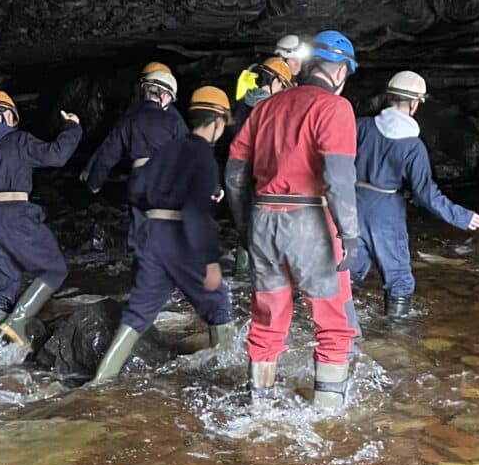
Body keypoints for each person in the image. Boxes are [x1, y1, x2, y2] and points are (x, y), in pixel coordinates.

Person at [224, 31, 365, 410]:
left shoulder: (265, 109)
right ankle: (328, 414)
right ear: (339, 71)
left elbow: (235, 175)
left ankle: (258, 407)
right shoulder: (336, 109)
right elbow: (338, 178)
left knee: (267, 320)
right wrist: (350, 234)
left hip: (264, 219)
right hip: (311, 221)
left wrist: (243, 228)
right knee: (333, 322)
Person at [93, 86, 239, 384]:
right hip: (179, 235)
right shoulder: (203, 157)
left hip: (152, 233)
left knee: (139, 312)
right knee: (218, 302)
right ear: (216, 122)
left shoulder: (167, 150)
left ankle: (100, 381)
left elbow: (136, 192)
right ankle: (228, 375)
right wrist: (211, 262)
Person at [0, 92, 84, 346]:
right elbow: (57, 155)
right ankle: (18, 320)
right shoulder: (19, 141)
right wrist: (72, 128)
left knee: (5, 282)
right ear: (9, 116)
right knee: (54, 269)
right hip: (17, 213)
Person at [349, 72, 479, 320]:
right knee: (398, 278)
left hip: (351, 205)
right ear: (414, 104)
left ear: (388, 97)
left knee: (348, 271)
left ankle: (333, 327)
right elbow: (425, 193)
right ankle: (397, 339)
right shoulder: (413, 146)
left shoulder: (361, 126)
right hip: (386, 211)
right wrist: (461, 216)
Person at [81, 66, 185, 250]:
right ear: (167, 96)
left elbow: (108, 152)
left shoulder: (130, 118)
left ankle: (140, 260)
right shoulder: (174, 120)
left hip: (138, 178)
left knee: (141, 230)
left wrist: (94, 182)